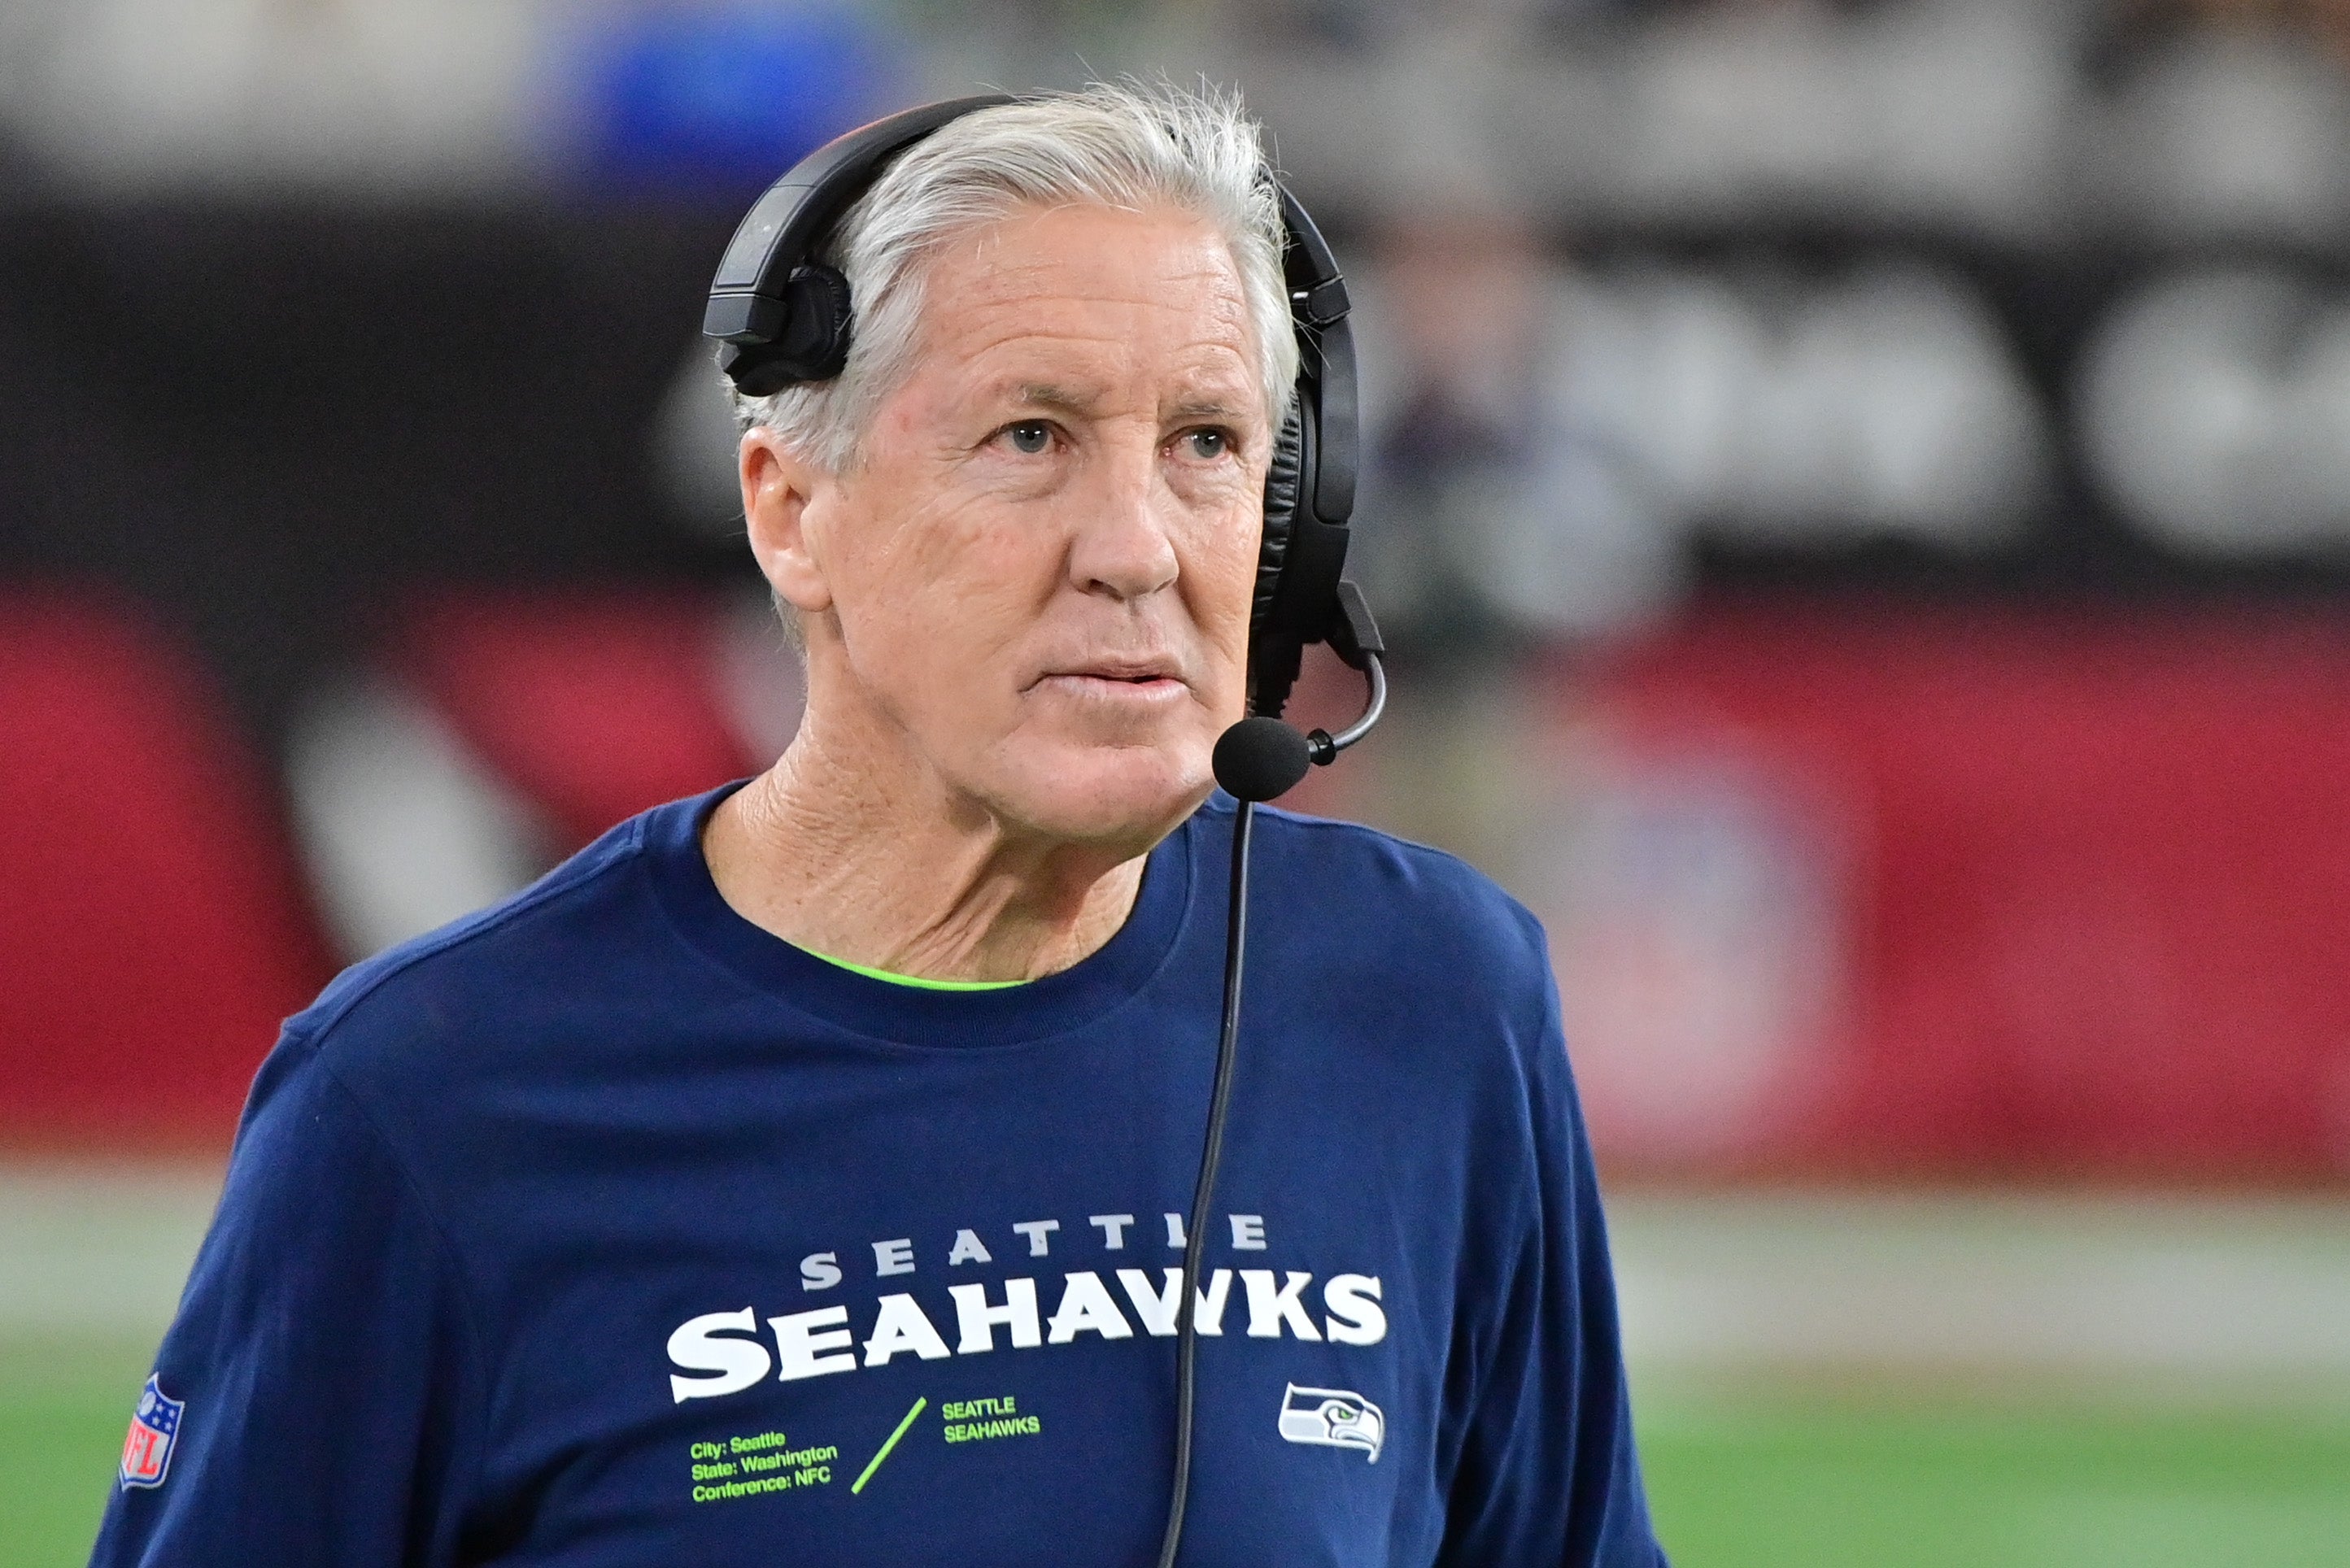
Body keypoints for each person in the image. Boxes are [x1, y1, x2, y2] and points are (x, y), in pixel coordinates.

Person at [89, 84, 1667, 1566]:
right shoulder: (426, 1092)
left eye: (1204, 443)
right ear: (788, 510)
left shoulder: (1433, 996)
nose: (1133, 547)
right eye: (1028, 437)